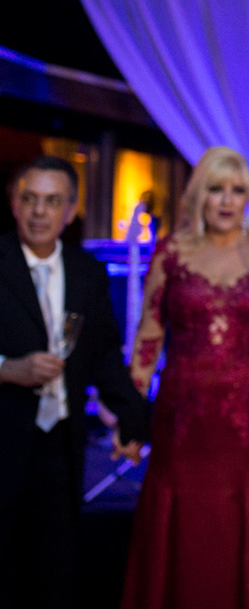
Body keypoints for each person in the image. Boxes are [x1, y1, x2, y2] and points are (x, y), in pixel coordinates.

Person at [120, 146, 249, 609]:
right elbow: (149, 334)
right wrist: (129, 415)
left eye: (237, 190)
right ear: (199, 196)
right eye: (217, 190)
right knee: (181, 520)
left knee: (239, 515)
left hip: (245, 420)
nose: (227, 200)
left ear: (248, 198)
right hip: (181, 418)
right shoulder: (171, 253)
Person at [0, 156, 150, 608]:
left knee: (56, 571)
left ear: (70, 209)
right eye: (29, 199)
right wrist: (8, 368)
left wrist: (132, 418)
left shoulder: (87, 271)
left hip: (62, 444)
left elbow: (103, 355)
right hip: (4, 439)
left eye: (52, 201)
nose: (39, 212)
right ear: (13, 203)